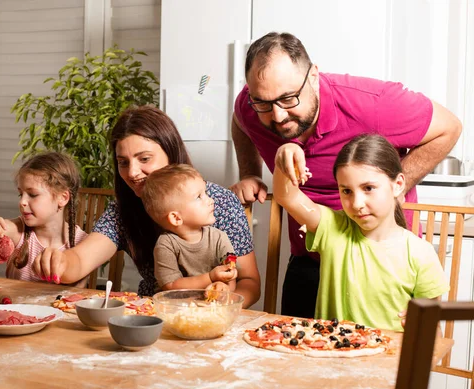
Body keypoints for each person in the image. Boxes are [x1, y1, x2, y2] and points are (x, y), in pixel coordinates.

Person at [230, 31, 462, 318]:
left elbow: (449, 126)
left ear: (313, 77)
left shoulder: (376, 103)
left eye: (288, 99)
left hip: (384, 258)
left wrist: (391, 189)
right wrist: (251, 172)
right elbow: (241, 122)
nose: (277, 116)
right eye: (264, 104)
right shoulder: (251, 103)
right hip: (312, 251)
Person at [31, 105, 261, 308]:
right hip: (152, 315)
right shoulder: (123, 211)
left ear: (170, 154)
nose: (131, 173)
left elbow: (249, 282)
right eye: (123, 162)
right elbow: (80, 260)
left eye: (144, 159)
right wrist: (59, 262)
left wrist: (222, 308)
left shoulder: (219, 202)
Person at [273, 134, 449, 331]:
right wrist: (284, 156)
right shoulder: (333, 228)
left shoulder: (420, 253)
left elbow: (432, 330)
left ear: (398, 185)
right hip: (329, 354)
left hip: (390, 358)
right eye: (346, 191)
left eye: (368, 188)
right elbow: (286, 196)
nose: (356, 204)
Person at [0, 152, 88, 285]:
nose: (22, 202)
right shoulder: (17, 231)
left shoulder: (82, 243)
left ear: (62, 198)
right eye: (20, 194)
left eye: (32, 195)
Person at [140, 163, 238, 292]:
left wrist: (224, 288)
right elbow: (170, 286)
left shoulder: (219, 237)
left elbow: (230, 273)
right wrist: (210, 277)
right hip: (175, 308)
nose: (210, 200)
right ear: (176, 218)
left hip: (212, 308)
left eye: (206, 193)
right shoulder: (166, 244)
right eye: (199, 197)